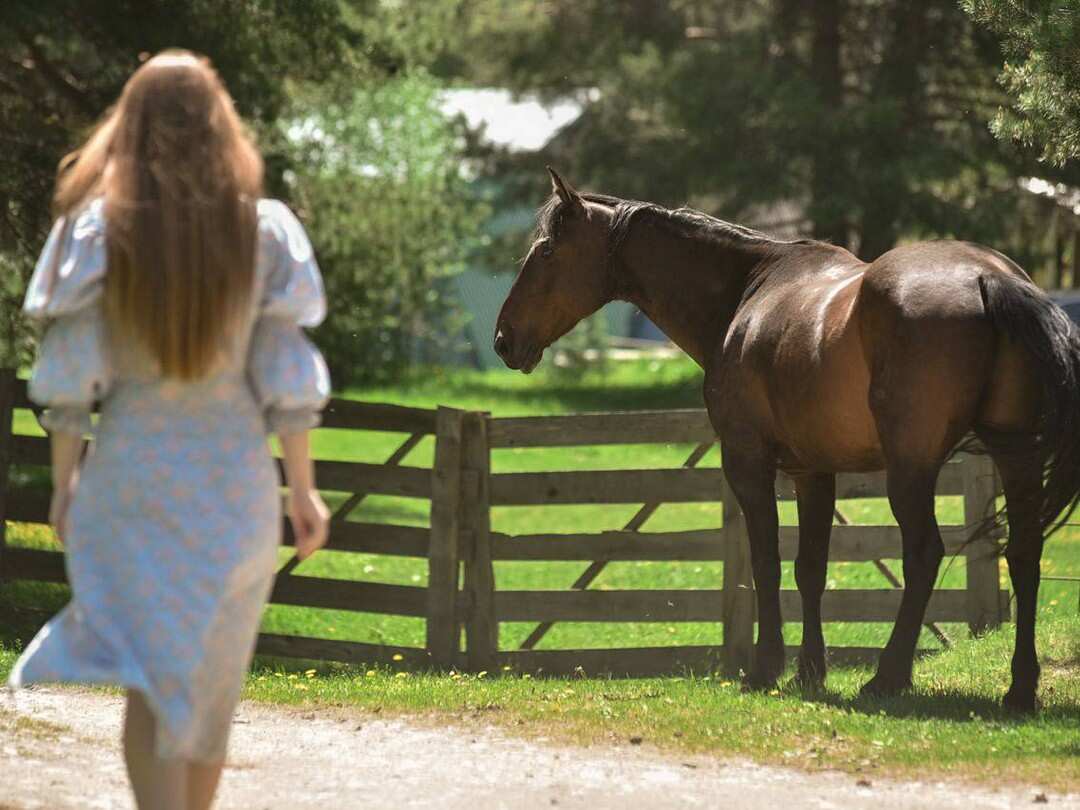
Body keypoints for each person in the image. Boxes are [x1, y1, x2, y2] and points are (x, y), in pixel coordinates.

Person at [6, 50, 331, 809]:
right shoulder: (266, 234)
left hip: (132, 483)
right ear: (221, 124)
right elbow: (286, 381)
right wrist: (305, 493)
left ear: (131, 125)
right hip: (235, 489)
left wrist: (63, 485)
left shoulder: (95, 234)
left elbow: (69, 377)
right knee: (214, 691)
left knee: (153, 685)